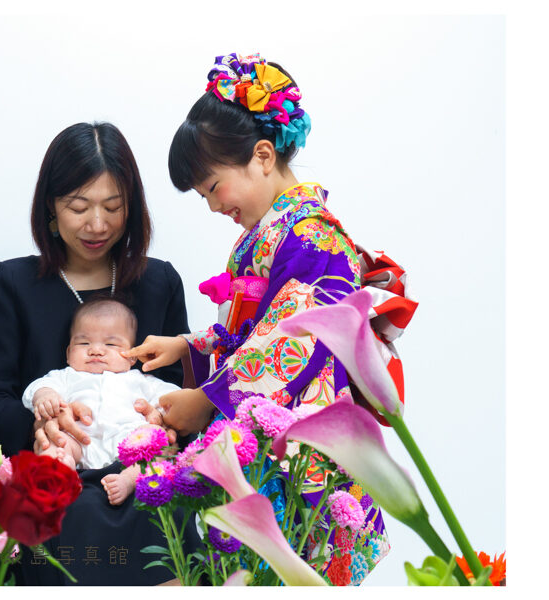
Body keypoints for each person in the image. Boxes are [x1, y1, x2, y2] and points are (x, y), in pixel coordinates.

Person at [123, 53, 408, 585]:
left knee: (289, 569)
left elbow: (291, 342)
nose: (211, 206)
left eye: (212, 187)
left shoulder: (314, 237)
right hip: (277, 432)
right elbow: (255, 326)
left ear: (261, 155)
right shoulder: (276, 233)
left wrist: (205, 399)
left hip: (308, 447)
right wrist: (189, 345)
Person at [0, 121, 193, 585]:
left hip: (138, 474)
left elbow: (178, 393)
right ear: (50, 208)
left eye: (113, 207)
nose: (98, 225)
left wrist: (162, 426)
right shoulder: (14, 284)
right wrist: (40, 424)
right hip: (53, 473)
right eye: (79, 207)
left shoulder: (159, 283)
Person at [22, 298, 181, 504]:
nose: (96, 350)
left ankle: (128, 480)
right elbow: (38, 387)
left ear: (133, 357)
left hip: (130, 444)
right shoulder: (66, 376)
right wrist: (45, 396)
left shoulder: (140, 381)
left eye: (111, 343)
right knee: (51, 441)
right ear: (69, 354)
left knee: (158, 440)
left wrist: (160, 412)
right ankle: (60, 472)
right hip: (78, 442)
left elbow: (173, 397)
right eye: (84, 343)